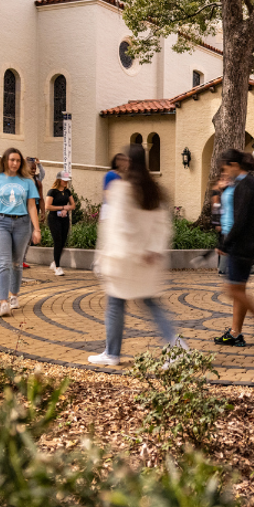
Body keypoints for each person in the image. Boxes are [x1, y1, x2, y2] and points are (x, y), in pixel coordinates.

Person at [89, 144, 186, 366]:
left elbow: (119, 227)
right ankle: (176, 347)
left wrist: (107, 256)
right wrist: (153, 250)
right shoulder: (155, 190)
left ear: (129, 162)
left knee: (115, 304)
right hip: (147, 262)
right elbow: (163, 226)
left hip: (123, 260)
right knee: (151, 304)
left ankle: (112, 353)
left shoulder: (122, 189)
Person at [213, 149, 254, 347]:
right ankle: (235, 333)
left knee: (233, 289)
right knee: (238, 288)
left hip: (243, 246)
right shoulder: (246, 182)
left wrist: (225, 243)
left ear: (234, 165)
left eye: (226, 168)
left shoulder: (246, 185)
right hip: (245, 244)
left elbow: (240, 220)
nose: (225, 173)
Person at [0, 147, 41, 318]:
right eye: (11, 160)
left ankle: (14, 295)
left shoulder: (27, 181)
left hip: (22, 223)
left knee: (17, 262)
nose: (14, 163)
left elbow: (32, 206)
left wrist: (36, 229)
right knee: (3, 263)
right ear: (5, 161)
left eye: (17, 160)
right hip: (0, 222)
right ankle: (3, 302)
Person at [46, 171, 76, 276]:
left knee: (63, 241)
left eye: (67, 180)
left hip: (64, 219)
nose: (66, 182)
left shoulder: (67, 191)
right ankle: (58, 267)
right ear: (59, 180)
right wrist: (62, 207)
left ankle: (55, 261)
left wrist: (67, 209)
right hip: (54, 219)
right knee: (58, 241)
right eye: (64, 180)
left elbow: (73, 205)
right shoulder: (52, 192)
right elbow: (48, 206)